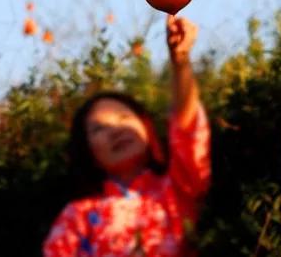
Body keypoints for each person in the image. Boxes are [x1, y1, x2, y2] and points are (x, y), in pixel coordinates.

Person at [43, 15, 211, 257]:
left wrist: (181, 61)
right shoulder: (77, 217)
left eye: (124, 118)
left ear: (146, 128)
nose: (115, 130)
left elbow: (188, 130)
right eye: (99, 128)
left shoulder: (177, 189)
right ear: (86, 150)